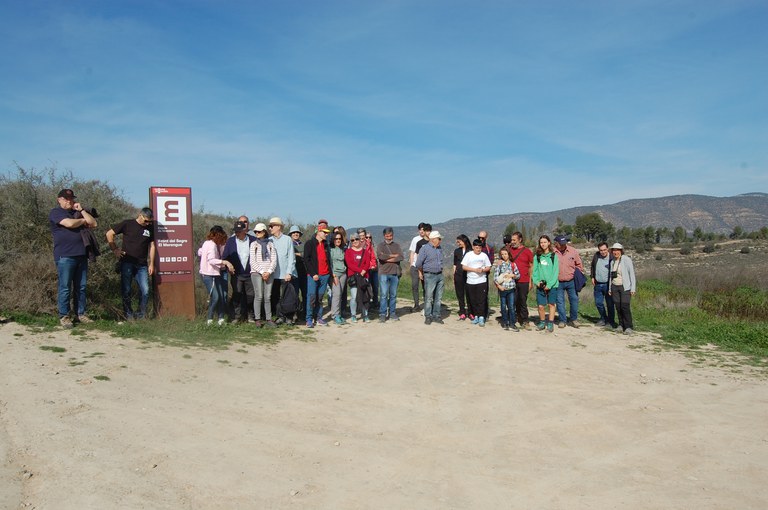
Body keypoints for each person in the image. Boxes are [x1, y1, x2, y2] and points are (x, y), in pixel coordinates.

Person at [49, 188, 98, 328]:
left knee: (81, 287)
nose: (69, 201)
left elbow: (93, 223)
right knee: (65, 287)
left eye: (71, 199)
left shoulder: (77, 213)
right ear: (59, 199)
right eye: (66, 199)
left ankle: (80, 314)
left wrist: (82, 210)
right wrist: (83, 221)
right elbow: (69, 224)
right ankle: (64, 316)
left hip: (81, 255)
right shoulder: (56, 212)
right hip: (65, 256)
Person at [105, 207, 156, 320]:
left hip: (142, 264)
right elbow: (109, 234)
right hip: (127, 262)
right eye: (146, 220)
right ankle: (128, 314)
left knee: (145, 290)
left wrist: (151, 263)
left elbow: (152, 246)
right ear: (140, 216)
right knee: (126, 289)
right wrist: (115, 249)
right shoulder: (127, 224)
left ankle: (141, 314)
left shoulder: (150, 228)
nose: (147, 223)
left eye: (150, 222)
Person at [198, 226, 234, 326]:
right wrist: (224, 262)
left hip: (214, 274)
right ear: (218, 236)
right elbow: (211, 260)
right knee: (216, 297)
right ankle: (209, 319)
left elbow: (200, 252)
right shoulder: (212, 245)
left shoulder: (206, 243)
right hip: (209, 275)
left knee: (221, 296)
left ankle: (221, 318)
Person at [222, 220, 256, 323]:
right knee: (237, 294)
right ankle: (236, 316)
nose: (237, 233)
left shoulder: (253, 240)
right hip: (236, 274)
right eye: (235, 231)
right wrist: (229, 268)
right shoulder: (230, 241)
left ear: (245, 231)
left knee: (251, 295)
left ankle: (251, 315)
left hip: (250, 273)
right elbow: (225, 257)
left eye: (239, 231)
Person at [267, 217, 296, 324]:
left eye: (272, 226)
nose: (270, 228)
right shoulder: (269, 240)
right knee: (276, 297)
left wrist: (289, 272)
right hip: (273, 274)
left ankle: (288, 316)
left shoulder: (287, 239)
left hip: (285, 274)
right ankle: (280, 316)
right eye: (269, 226)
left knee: (287, 297)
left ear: (278, 227)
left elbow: (291, 257)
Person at [303, 222, 332, 327]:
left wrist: (330, 274)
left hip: (325, 275)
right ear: (318, 232)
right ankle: (309, 319)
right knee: (311, 297)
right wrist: (313, 273)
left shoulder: (325, 245)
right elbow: (306, 260)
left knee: (319, 298)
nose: (326, 234)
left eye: (327, 232)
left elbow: (328, 260)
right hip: (313, 276)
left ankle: (319, 317)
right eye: (324, 232)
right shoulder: (309, 243)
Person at [249, 223, 277, 327]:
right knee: (259, 296)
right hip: (256, 273)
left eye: (259, 231)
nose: (257, 233)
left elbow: (274, 259)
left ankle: (268, 318)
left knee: (267, 296)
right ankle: (257, 319)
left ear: (264, 232)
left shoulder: (270, 244)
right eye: (256, 231)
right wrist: (262, 272)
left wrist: (269, 271)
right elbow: (252, 261)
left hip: (269, 273)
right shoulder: (254, 244)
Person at [554, 235, 585, 328]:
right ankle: (562, 320)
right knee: (560, 301)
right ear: (556, 243)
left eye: (564, 244)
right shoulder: (553, 252)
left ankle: (573, 319)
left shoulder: (573, 251)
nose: (563, 246)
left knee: (574, 300)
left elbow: (579, 264)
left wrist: (578, 274)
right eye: (561, 244)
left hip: (571, 281)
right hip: (558, 281)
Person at [415, 230, 444, 325]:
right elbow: (418, 263)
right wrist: (422, 272)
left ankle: (436, 315)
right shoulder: (424, 249)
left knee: (438, 297)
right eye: (439, 239)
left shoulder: (439, 248)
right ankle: (428, 316)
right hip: (430, 275)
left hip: (439, 274)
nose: (440, 240)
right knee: (429, 297)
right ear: (433, 239)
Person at [461, 239, 492, 327]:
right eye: (477, 248)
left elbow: (488, 267)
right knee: (473, 300)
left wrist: (482, 270)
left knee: (481, 299)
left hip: (481, 281)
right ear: (473, 247)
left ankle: (482, 316)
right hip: (470, 281)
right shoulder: (468, 255)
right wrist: (474, 270)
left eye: (480, 248)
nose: (478, 249)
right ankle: (476, 316)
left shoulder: (484, 255)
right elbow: (464, 266)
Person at [506, 232, 534, 329]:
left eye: (514, 240)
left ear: (520, 240)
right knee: (513, 300)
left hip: (524, 280)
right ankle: (515, 317)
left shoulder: (527, 251)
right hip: (511, 280)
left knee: (522, 300)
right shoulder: (509, 250)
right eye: (511, 240)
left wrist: (531, 281)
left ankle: (525, 320)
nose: (512, 242)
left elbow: (531, 266)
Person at [532, 235, 559, 333]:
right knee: (540, 305)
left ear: (549, 243)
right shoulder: (537, 256)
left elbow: (555, 271)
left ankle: (550, 323)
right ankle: (542, 322)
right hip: (540, 285)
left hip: (552, 285)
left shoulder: (553, 256)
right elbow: (534, 271)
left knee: (551, 304)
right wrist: (536, 281)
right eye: (541, 242)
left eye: (544, 242)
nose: (543, 244)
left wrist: (550, 284)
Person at [376, 227, 404, 322]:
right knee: (383, 295)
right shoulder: (380, 245)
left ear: (392, 235)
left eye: (390, 235)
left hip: (394, 273)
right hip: (383, 273)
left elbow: (401, 257)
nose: (389, 238)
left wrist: (387, 258)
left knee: (393, 295)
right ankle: (382, 314)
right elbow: (380, 256)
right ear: (384, 236)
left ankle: (392, 313)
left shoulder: (397, 245)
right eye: (387, 236)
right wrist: (393, 256)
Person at [608, 243, 637, 335]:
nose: (615, 252)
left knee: (625, 306)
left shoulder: (626, 260)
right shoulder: (612, 261)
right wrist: (609, 288)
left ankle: (628, 326)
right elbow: (610, 276)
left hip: (625, 287)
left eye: (617, 250)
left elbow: (631, 274)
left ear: (621, 251)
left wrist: (633, 288)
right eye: (614, 250)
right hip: (614, 286)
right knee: (618, 306)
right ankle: (621, 325)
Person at [345, 232, 373, 322]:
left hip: (364, 276)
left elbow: (367, 262)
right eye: (352, 240)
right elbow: (349, 264)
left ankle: (365, 315)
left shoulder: (365, 251)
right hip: (353, 277)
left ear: (360, 240)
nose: (355, 241)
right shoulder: (348, 251)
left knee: (365, 296)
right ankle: (353, 315)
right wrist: (360, 270)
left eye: (356, 239)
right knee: (353, 296)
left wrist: (364, 270)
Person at [494, 246, 521, 331]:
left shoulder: (513, 264)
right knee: (503, 306)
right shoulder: (499, 265)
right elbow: (495, 277)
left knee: (511, 306)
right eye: (502, 254)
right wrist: (499, 286)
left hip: (511, 289)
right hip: (503, 289)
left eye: (505, 254)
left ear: (509, 254)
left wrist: (512, 275)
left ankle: (512, 323)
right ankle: (505, 322)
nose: (504, 256)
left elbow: (518, 275)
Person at [590, 242, 617, 329]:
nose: (603, 252)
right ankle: (603, 318)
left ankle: (611, 321)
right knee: (598, 303)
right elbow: (592, 266)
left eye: (604, 250)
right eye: (601, 250)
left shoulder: (612, 258)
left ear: (608, 249)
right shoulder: (596, 256)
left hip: (608, 285)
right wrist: (592, 277)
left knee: (610, 304)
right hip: (598, 284)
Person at [329, 230, 348, 325]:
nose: (338, 240)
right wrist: (333, 275)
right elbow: (329, 264)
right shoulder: (330, 250)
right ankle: (335, 315)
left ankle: (338, 314)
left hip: (343, 274)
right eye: (336, 238)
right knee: (336, 294)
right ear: (333, 239)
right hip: (335, 274)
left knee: (340, 295)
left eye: (340, 238)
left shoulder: (342, 249)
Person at [408, 222, 428, 312]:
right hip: (415, 266)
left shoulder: (428, 240)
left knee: (425, 286)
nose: (421, 231)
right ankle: (416, 304)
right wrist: (411, 265)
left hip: (425, 267)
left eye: (423, 229)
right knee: (415, 286)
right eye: (420, 229)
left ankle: (426, 304)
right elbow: (412, 252)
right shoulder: (415, 239)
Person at [290, 225, 307, 322]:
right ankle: (295, 313)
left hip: (304, 273)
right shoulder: (289, 244)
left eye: (297, 233)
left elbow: (307, 255)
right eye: (293, 233)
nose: (295, 234)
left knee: (305, 294)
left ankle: (305, 313)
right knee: (294, 295)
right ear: (291, 235)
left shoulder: (304, 244)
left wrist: (298, 254)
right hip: (294, 273)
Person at [453, 234, 472, 320]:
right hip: (459, 275)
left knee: (469, 294)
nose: (458, 243)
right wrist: (454, 274)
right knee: (460, 294)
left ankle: (471, 312)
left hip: (469, 275)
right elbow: (455, 264)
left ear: (464, 241)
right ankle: (462, 311)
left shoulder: (471, 251)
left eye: (459, 241)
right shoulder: (457, 251)